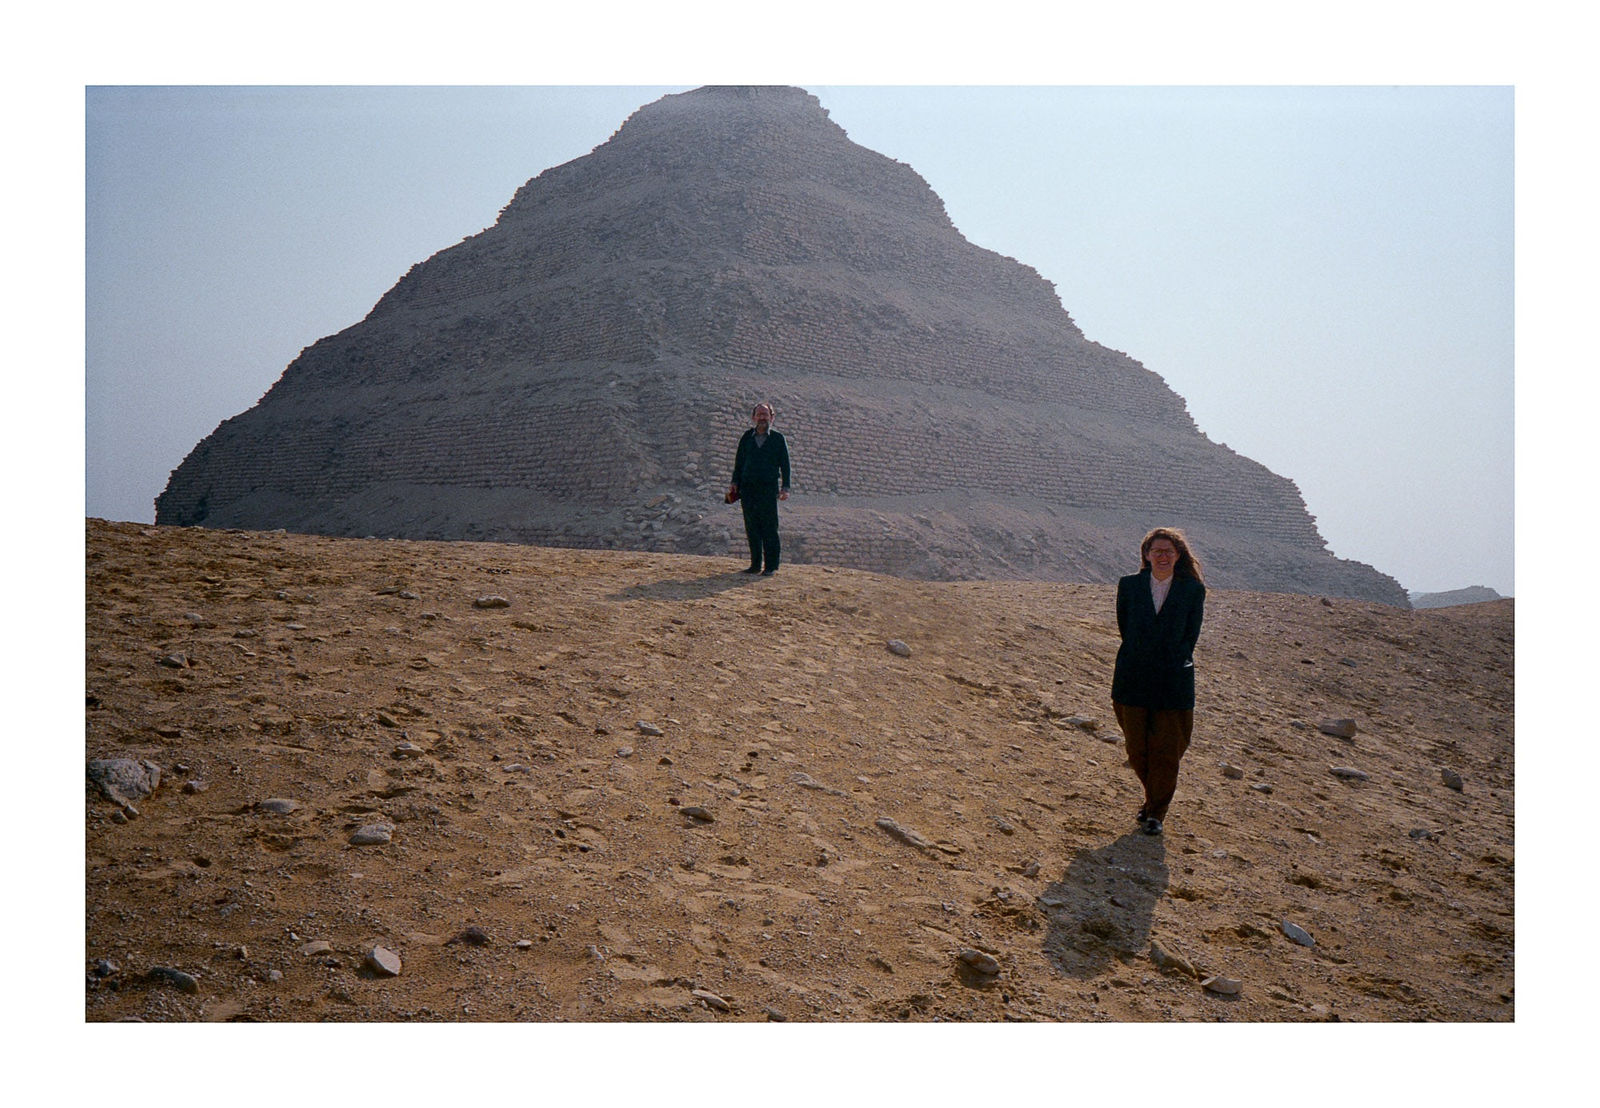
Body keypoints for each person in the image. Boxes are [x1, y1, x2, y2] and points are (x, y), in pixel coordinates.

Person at [1110, 527, 1206, 836]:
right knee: (1137, 749)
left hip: (1172, 679)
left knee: (1166, 749)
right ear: (1147, 555)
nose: (1163, 556)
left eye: (1169, 551)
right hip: (1132, 677)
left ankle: (1155, 813)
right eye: (1157, 551)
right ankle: (1152, 799)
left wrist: (1170, 660)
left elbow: (1190, 635)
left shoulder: (1192, 590)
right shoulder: (1129, 586)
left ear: (1178, 556)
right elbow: (1126, 627)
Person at [727, 402, 790, 575]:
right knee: (752, 527)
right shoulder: (746, 437)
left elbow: (785, 465)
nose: (762, 417)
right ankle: (755, 565)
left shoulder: (778, 439)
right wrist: (734, 482)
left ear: (772, 417)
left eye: (766, 414)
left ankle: (770, 566)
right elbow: (739, 462)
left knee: (769, 527)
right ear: (753, 417)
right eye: (759, 414)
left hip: (768, 489)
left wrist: (785, 487)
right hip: (747, 489)